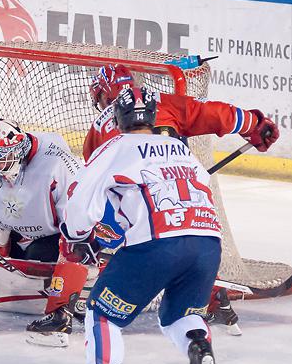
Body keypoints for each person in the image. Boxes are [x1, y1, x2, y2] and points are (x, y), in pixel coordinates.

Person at [59, 85, 222, 364]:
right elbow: (200, 189)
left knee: (101, 313)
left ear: (118, 118)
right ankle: (198, 344)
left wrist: (76, 235)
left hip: (157, 243)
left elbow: (81, 194)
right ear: (152, 116)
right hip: (207, 240)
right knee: (177, 317)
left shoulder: (116, 146)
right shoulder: (179, 148)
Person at [81, 63, 280, 333]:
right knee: (188, 243)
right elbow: (213, 113)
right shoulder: (165, 103)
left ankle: (82, 305)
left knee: (108, 245)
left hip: (138, 206)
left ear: (105, 96)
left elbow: (92, 181)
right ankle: (210, 299)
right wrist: (254, 124)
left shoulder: (99, 126)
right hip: (187, 195)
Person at [0, 118, 88, 347]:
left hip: (51, 237)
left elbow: (76, 222)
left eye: (2, 161)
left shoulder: (57, 165)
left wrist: (70, 263)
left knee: (37, 260)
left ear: (18, 152)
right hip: (16, 232)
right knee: (7, 265)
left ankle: (63, 306)